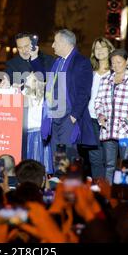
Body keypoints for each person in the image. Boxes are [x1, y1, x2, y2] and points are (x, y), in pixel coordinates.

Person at [40, 29, 95, 163]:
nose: (53, 45)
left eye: (55, 42)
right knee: (56, 156)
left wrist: (74, 115)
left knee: (67, 156)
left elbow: (84, 91)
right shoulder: (57, 62)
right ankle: (57, 183)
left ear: (65, 43)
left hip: (68, 117)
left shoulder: (82, 62)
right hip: (54, 116)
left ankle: (69, 183)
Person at [95, 49, 128, 183]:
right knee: (109, 165)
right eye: (113, 63)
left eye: (119, 62)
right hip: (107, 130)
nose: (116, 65)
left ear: (126, 62)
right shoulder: (105, 80)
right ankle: (108, 195)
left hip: (125, 131)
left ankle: (126, 193)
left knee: (127, 164)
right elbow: (98, 101)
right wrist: (100, 115)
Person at [88, 37, 115, 179]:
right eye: (96, 48)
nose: (99, 51)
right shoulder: (89, 72)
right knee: (94, 158)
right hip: (90, 119)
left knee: (109, 159)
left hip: (108, 121)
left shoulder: (114, 72)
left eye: (102, 47)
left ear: (110, 49)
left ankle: (108, 190)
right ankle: (97, 187)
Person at [22, 72, 53, 174]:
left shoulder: (41, 99)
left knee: (38, 163)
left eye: (29, 78)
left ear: (36, 82)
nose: (26, 77)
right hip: (27, 134)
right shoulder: (23, 94)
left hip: (38, 134)